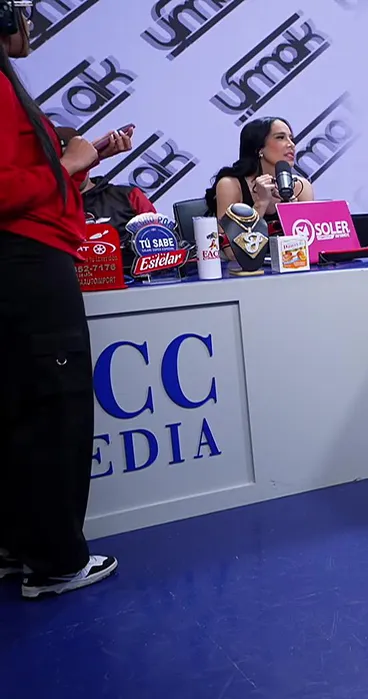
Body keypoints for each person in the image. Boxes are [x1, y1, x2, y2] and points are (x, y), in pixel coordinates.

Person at [0, 2, 131, 599]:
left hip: (22, 263)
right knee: (54, 412)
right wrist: (68, 160)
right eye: (21, 10)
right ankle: (55, 563)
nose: (29, 22)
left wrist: (79, 162)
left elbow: (31, 180)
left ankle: (20, 547)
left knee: (22, 409)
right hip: (27, 265)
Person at [205, 115, 314, 232]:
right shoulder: (231, 185)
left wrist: (294, 212)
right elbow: (228, 242)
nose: (291, 144)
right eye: (280, 137)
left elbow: (312, 238)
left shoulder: (301, 186)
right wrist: (261, 203)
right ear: (259, 148)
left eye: (291, 138)